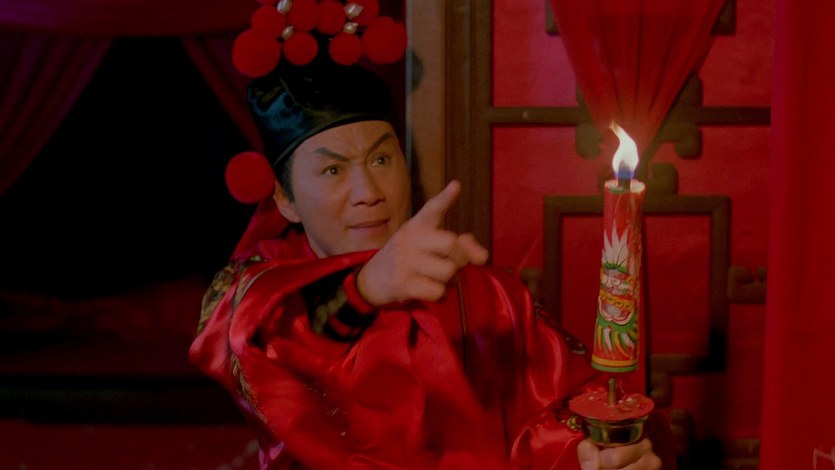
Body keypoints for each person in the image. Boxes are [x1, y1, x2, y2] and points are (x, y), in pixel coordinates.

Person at [189, 49, 674, 470]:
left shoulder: (488, 294)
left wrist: (591, 453)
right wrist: (361, 290)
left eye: (381, 160)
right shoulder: (256, 296)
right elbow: (256, 346)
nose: (368, 192)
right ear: (285, 199)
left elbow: (553, 416)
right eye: (333, 170)